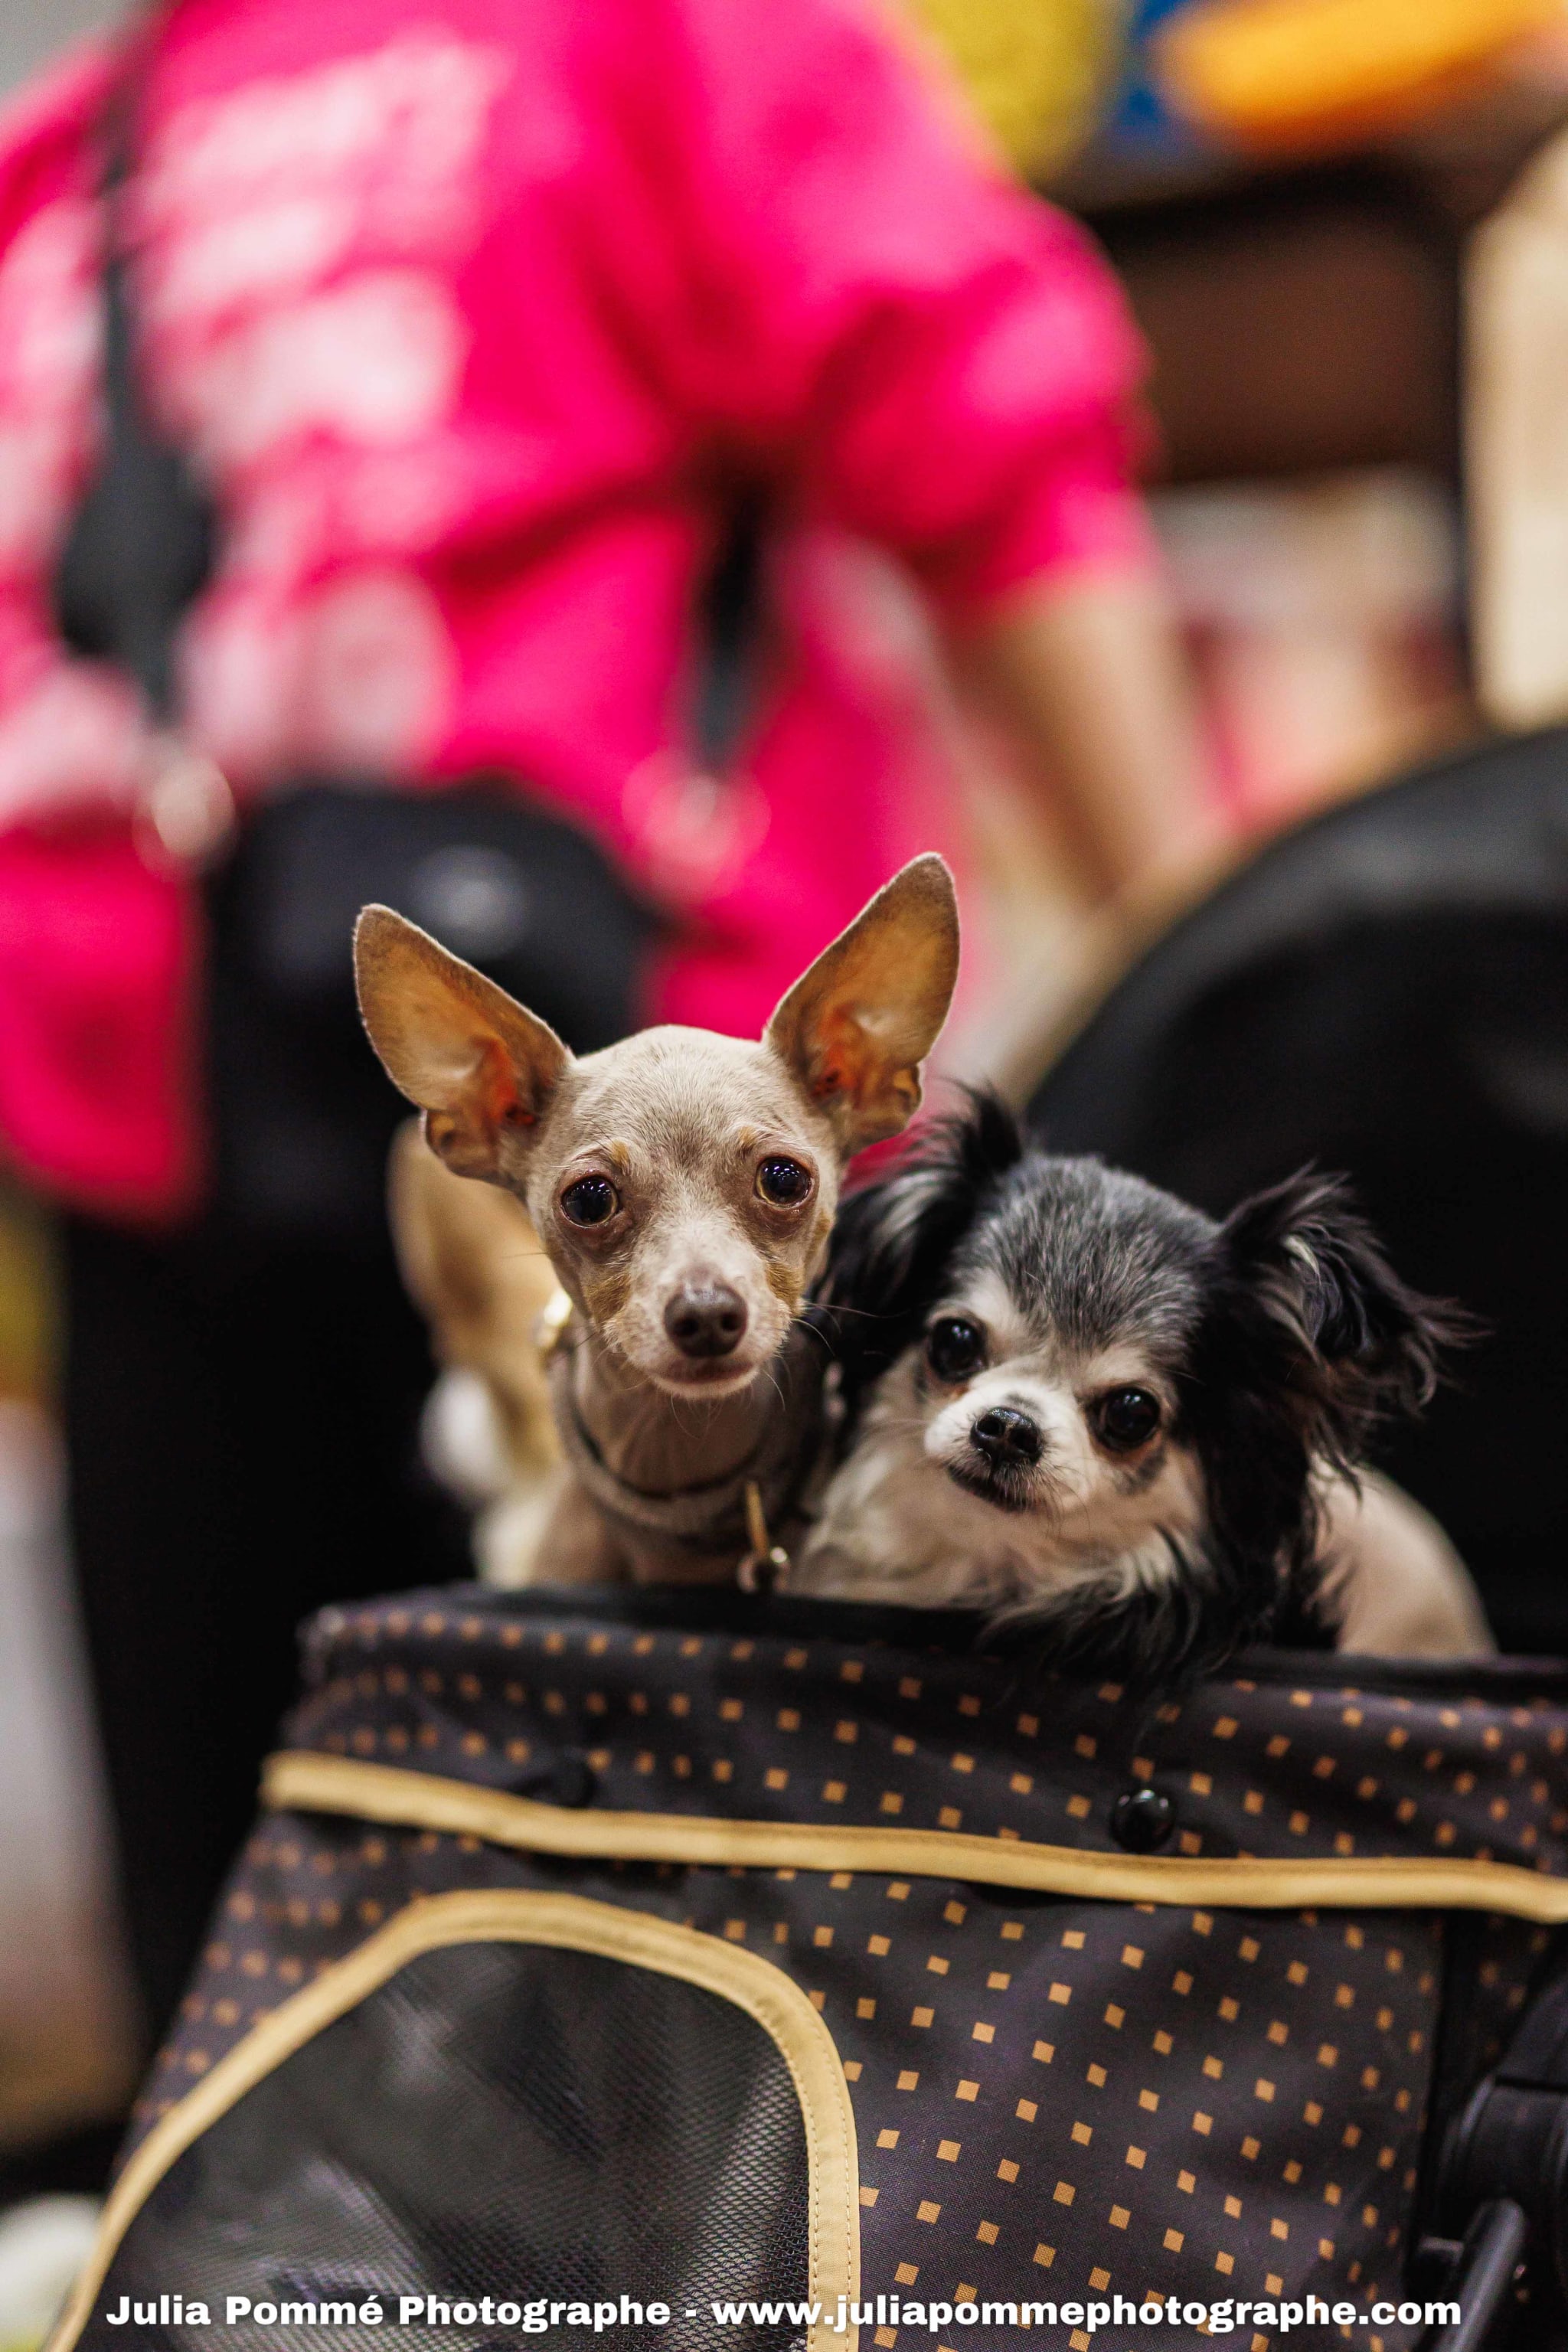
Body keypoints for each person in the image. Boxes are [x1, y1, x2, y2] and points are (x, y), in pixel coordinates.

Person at [0, 0, 1215, 2058]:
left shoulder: (656, 37)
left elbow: (991, 436)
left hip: (665, 1123)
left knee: (705, 1951)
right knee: (242, 1962)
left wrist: (1222, 963)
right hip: (157, 1181)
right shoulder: (72, 143)